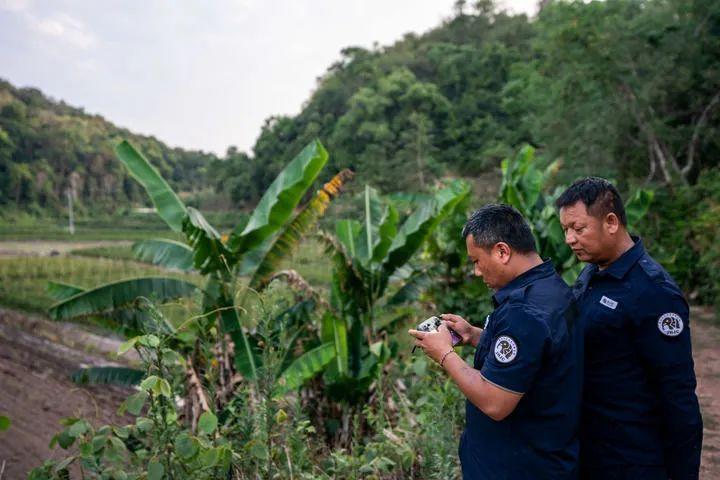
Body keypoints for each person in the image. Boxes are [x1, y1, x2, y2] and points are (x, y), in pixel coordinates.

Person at [409, 204, 583, 480]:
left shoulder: (523, 311)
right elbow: (535, 354)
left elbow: (495, 402)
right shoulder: (550, 287)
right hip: (545, 457)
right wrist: (476, 335)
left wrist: (444, 354)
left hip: (519, 466)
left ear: (502, 251)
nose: (477, 272)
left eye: (477, 261)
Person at [556, 177, 703, 480]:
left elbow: (678, 396)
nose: (570, 239)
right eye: (565, 230)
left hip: (633, 459)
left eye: (578, 228)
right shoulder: (591, 274)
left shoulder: (653, 291)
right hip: (589, 451)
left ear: (610, 222)